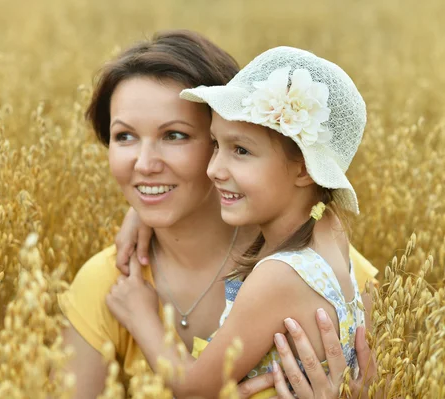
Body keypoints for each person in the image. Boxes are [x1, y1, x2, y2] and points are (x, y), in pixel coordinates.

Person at [58, 32, 376, 398]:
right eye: (124, 136)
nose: (143, 165)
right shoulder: (107, 283)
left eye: (175, 136)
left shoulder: (315, 268)